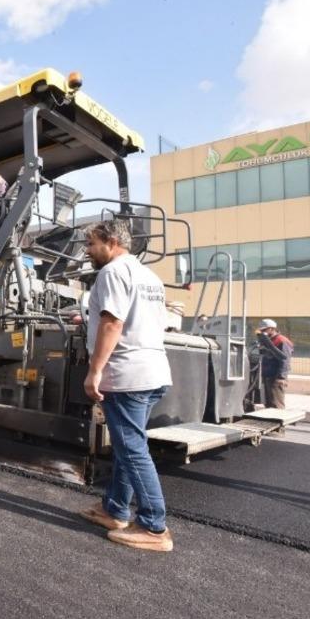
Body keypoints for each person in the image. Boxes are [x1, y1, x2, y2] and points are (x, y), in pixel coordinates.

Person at [78, 219, 174, 552]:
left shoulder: (112, 273)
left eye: (91, 244)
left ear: (112, 241)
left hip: (126, 374)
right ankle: (114, 509)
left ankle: (153, 526)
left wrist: (95, 371)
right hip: (153, 372)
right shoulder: (150, 277)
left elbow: (113, 323)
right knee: (126, 444)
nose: (87, 250)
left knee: (132, 449)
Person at [256, 318, 293, 409]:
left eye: (264, 330)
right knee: (268, 404)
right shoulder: (268, 341)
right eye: (261, 330)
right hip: (267, 376)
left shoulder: (282, 341)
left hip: (276, 377)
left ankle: (279, 420)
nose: (262, 332)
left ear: (272, 329)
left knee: (276, 404)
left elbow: (285, 360)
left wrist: (281, 377)